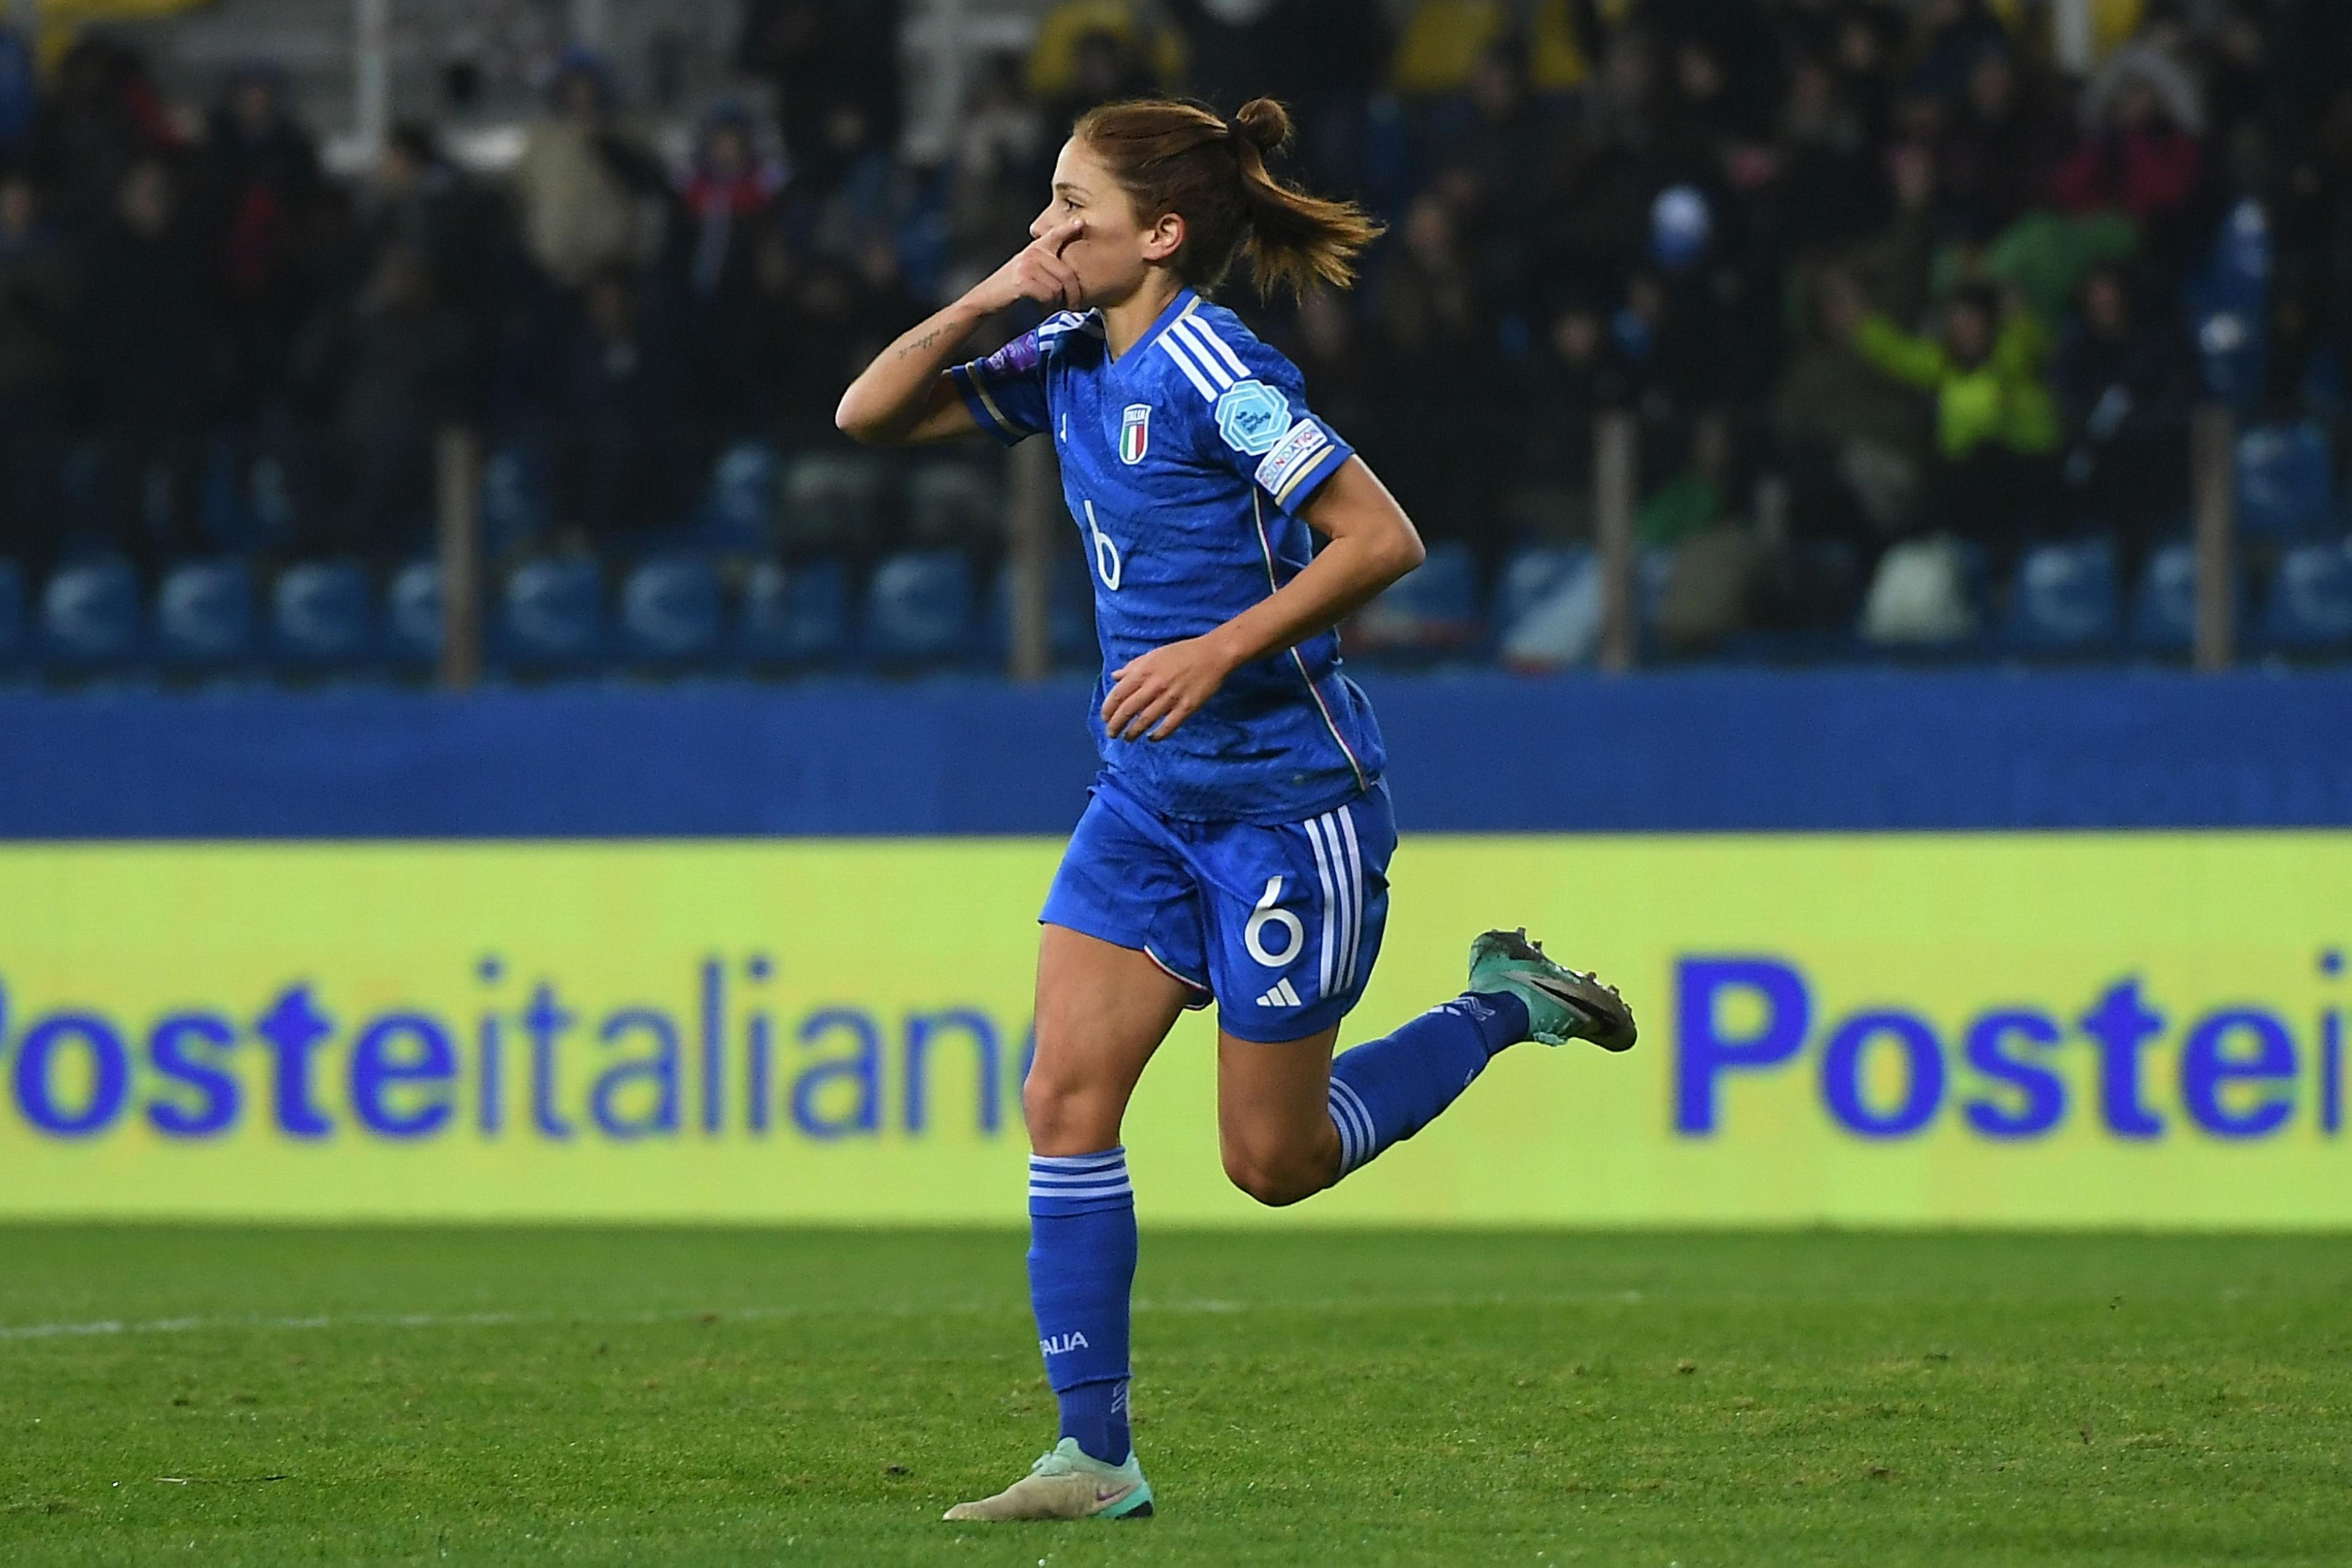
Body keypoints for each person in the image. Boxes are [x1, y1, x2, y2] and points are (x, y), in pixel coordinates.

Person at [835, 94, 1636, 1524]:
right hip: (1145, 801)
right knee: (1063, 1098)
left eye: (1072, 208)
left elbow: (1381, 536)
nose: (1046, 225)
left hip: (1287, 808)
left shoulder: (1218, 369)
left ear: (1163, 233)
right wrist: (997, 289)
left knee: (1274, 1160)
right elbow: (869, 411)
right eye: (1045, 201)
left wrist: (1215, 649)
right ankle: (1095, 1456)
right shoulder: (1066, 350)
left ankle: (1506, 1002)